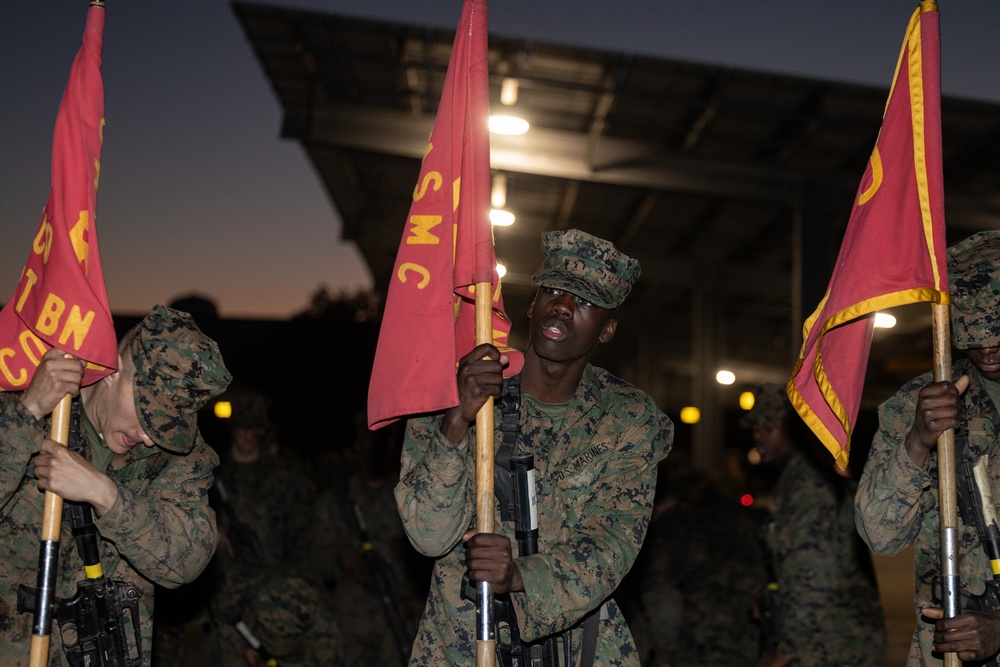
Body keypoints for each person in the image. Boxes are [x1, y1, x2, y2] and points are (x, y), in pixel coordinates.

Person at [394, 229, 674, 666]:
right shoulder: (456, 392)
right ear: (533, 303)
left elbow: (612, 546)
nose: (562, 305)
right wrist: (457, 420)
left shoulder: (628, 420)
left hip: (576, 646)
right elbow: (428, 535)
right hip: (464, 644)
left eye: (583, 302)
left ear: (607, 330)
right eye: (554, 290)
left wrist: (520, 576)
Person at [0, 305, 232, 666]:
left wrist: (105, 494)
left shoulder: (177, 456)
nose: (150, 437)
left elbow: (187, 560)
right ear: (114, 368)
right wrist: (26, 412)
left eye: (168, 425)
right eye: (148, 414)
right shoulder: (20, 405)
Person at [856, 229, 1000, 665]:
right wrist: (918, 441)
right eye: (973, 337)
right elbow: (878, 534)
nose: (987, 348)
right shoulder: (923, 402)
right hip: (945, 653)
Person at [745, 383, 886, 667]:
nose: (758, 433)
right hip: (826, 641)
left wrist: (786, 651)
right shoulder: (796, 483)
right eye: (755, 425)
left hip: (832, 646)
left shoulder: (808, 488)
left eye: (769, 424)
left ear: (796, 427)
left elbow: (814, 581)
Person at [206, 388, 329, 666]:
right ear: (232, 429)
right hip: (229, 594)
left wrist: (304, 584)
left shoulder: (285, 475)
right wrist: (212, 526)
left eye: (254, 429)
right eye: (241, 428)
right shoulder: (211, 476)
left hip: (278, 590)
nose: (247, 436)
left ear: (263, 431)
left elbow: (306, 533)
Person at [638, 466, 766, 667]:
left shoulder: (668, 533)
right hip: (747, 641)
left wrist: (664, 656)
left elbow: (662, 600)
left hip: (699, 646)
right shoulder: (735, 520)